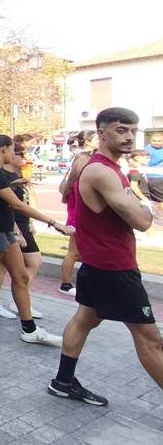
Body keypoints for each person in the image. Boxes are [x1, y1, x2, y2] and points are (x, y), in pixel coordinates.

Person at [48, 107, 163, 406]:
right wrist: (147, 208)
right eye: (121, 130)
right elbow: (141, 221)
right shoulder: (101, 171)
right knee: (151, 340)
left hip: (99, 263)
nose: (128, 137)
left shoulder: (109, 169)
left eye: (132, 131)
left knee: (85, 318)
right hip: (114, 267)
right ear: (101, 132)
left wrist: (135, 205)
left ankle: (62, 382)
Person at [0, 135, 70, 344]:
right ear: (4, 150)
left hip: (5, 231)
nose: (17, 154)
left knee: (21, 277)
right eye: (13, 150)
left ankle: (29, 330)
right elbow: (17, 204)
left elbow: (1, 195)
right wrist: (54, 223)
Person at [0, 143, 45, 320]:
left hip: (21, 223)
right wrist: (52, 222)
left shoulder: (16, 175)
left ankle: (17, 300)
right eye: (20, 154)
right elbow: (11, 204)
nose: (25, 159)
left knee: (30, 263)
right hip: (10, 225)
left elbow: (24, 201)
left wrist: (30, 222)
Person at [58, 131, 97, 296]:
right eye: (97, 138)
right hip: (78, 218)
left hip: (83, 217)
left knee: (85, 252)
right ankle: (65, 284)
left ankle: (83, 282)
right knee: (74, 253)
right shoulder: (83, 160)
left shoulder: (85, 160)